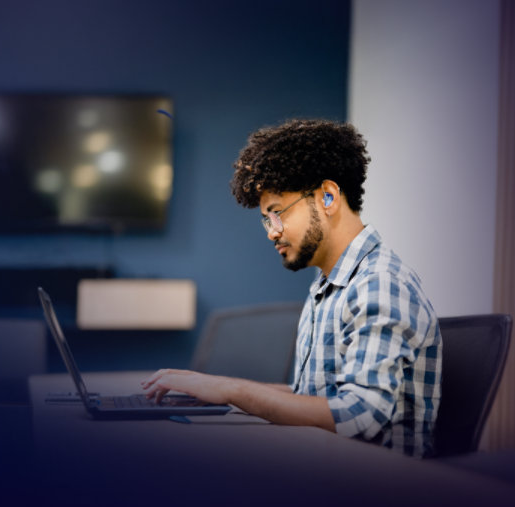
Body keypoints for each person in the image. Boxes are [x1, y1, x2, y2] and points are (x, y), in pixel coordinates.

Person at [141, 119, 442, 458]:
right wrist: (210, 388)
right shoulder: (329, 285)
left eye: (277, 212)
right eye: (267, 219)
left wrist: (231, 390)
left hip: (373, 491)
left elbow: (360, 416)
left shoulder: (379, 283)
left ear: (328, 196)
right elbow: (310, 397)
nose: (272, 231)